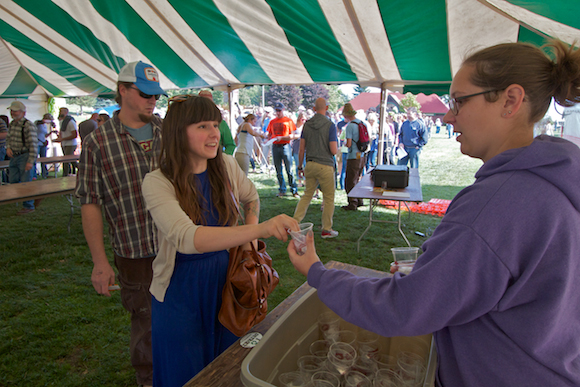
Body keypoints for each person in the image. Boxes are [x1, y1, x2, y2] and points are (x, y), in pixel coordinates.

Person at [287, 40, 580, 387]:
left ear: (511, 101)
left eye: (459, 100)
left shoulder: (497, 202)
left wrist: (317, 273)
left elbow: (403, 309)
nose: (448, 115)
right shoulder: (557, 181)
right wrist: (436, 272)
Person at [141, 95, 298, 387]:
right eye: (202, 126)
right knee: (184, 375)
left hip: (229, 282)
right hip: (181, 290)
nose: (215, 134)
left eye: (215, 124)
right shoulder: (157, 181)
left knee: (227, 369)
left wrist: (247, 243)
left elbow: (251, 197)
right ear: (178, 132)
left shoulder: (225, 165)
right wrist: (258, 231)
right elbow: (188, 238)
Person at [75, 61, 168, 387]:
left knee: (182, 315)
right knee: (145, 322)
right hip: (134, 252)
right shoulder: (97, 143)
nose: (151, 101)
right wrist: (100, 262)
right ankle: (149, 380)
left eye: (155, 95)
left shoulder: (168, 133)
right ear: (122, 91)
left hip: (177, 244)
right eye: (144, 94)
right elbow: (90, 202)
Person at [293, 98, 339, 238]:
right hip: (325, 165)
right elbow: (333, 150)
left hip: (310, 164)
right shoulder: (330, 125)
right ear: (326, 107)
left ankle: (294, 223)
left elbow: (301, 149)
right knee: (329, 197)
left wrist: (300, 166)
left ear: (314, 108)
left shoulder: (307, 125)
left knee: (307, 195)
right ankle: (326, 229)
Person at [5, 101, 37, 214]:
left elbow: (34, 144)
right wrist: (8, 147)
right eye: (11, 110)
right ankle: (21, 199)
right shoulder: (12, 124)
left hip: (25, 156)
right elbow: (8, 138)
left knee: (26, 182)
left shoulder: (28, 125)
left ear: (23, 112)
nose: (12, 112)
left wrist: (30, 161)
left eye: (15, 110)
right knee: (13, 180)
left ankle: (29, 206)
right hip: (14, 156)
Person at [267, 101, 299, 198]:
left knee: (289, 169)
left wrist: (283, 138)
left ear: (283, 110)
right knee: (278, 170)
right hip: (275, 146)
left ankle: (294, 190)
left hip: (285, 146)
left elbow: (295, 135)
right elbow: (269, 134)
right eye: (276, 111)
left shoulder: (289, 121)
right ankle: (282, 189)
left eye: (279, 110)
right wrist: (267, 138)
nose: (277, 112)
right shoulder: (272, 122)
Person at [341, 103, 367, 211]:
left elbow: (349, 144)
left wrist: (344, 144)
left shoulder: (350, 126)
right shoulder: (361, 123)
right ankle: (359, 200)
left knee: (350, 180)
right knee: (358, 178)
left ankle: (352, 202)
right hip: (362, 155)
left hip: (353, 156)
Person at [198, 90, 236, 155]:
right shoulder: (192, 123)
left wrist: (223, 159)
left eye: (215, 126)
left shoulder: (221, 123)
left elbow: (230, 145)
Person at [53, 107, 78, 175]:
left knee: (66, 160)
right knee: (71, 159)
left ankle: (65, 174)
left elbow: (74, 135)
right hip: (64, 143)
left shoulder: (71, 122)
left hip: (71, 144)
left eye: (62, 111)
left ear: (66, 112)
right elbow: (62, 133)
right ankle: (80, 169)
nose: (60, 113)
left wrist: (62, 139)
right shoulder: (61, 122)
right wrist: (59, 137)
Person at [33, 113, 55, 179]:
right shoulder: (38, 124)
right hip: (37, 143)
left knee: (44, 159)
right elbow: (35, 133)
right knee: (35, 159)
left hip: (43, 144)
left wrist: (51, 133)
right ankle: (34, 175)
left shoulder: (44, 126)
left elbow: (44, 135)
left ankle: (45, 173)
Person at [292, 111, 307, 187]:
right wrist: (300, 136)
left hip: (305, 149)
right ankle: (299, 181)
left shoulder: (306, 127)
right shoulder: (295, 126)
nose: (303, 121)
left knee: (305, 165)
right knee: (298, 165)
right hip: (296, 148)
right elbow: (292, 136)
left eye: (305, 119)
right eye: (302, 119)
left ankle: (305, 180)